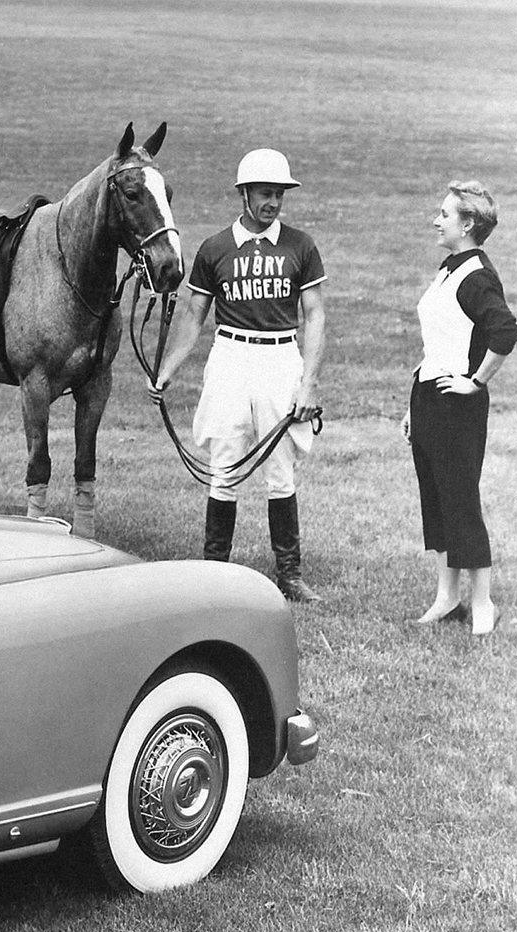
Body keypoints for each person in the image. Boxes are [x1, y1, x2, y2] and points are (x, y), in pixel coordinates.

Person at [150, 149, 328, 601]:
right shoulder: (215, 248)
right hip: (230, 356)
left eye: (279, 194)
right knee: (223, 465)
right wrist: (168, 368)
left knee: (280, 468)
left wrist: (308, 382)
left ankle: (289, 574)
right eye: (266, 194)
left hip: (279, 358)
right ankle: (215, 568)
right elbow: (193, 313)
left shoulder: (300, 245)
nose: (274, 203)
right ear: (244, 194)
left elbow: (315, 314)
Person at [403, 179, 515, 636]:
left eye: (444, 214)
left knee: (461, 502)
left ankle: (482, 603)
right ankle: (447, 598)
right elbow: (439, 341)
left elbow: (505, 332)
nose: (436, 219)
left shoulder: (476, 276)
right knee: (438, 500)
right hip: (430, 397)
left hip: (457, 407)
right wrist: (415, 402)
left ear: (467, 224)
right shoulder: (449, 267)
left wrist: (475, 382)